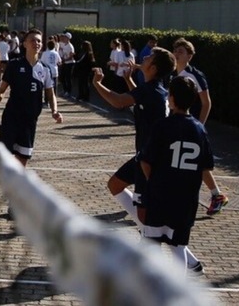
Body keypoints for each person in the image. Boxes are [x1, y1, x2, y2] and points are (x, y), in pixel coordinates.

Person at [139, 76, 215, 275]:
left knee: (152, 241)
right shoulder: (200, 129)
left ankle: (150, 286)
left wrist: (153, 181)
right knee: (179, 245)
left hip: (160, 195)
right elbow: (205, 165)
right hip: (186, 198)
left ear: (170, 99)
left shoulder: (162, 126)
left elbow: (145, 160)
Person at [91, 46, 175, 224]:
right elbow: (138, 97)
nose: (144, 58)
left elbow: (119, 101)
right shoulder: (155, 89)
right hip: (144, 156)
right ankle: (145, 229)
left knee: (145, 212)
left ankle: (149, 236)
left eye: (149, 58)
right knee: (115, 184)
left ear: (153, 69)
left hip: (150, 160)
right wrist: (129, 79)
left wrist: (97, 84)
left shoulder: (150, 90)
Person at [0, 29, 63, 207]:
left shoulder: (45, 70)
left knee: (21, 162)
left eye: (39, 41)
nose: (37, 43)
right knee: (4, 157)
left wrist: (55, 111)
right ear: (24, 44)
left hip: (30, 122)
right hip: (12, 119)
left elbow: (50, 94)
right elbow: (1, 91)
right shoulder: (15, 65)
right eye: (33, 40)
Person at [170, 37, 229, 215]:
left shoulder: (194, 75)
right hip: (176, 122)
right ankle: (214, 195)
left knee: (195, 161)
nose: (177, 53)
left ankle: (216, 195)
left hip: (191, 124)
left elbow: (206, 102)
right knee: (181, 159)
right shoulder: (173, 74)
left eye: (181, 51)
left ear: (190, 56)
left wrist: (199, 126)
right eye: (176, 50)